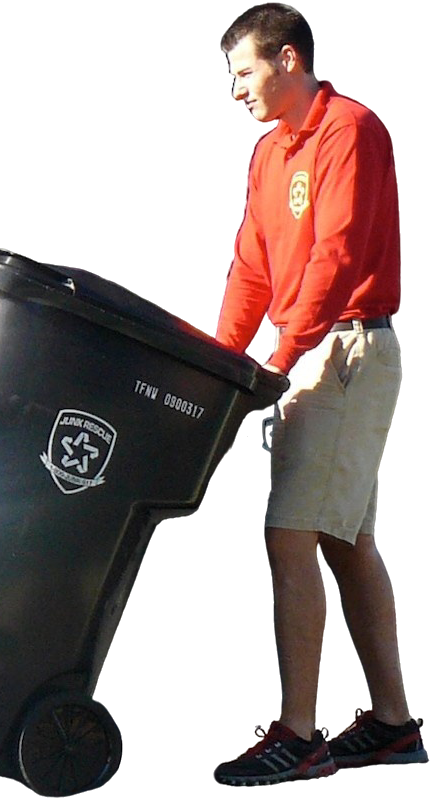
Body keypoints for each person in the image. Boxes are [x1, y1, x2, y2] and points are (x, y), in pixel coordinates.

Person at [213, 3, 427, 787]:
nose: (235, 91)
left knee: (287, 536)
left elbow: (335, 256)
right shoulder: (270, 154)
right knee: (345, 541)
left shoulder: (351, 130)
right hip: (312, 349)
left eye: (243, 72)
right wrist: (219, 360)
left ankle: (299, 735)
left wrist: (279, 358)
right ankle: (393, 725)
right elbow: (251, 267)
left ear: (289, 60)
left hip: (344, 348)